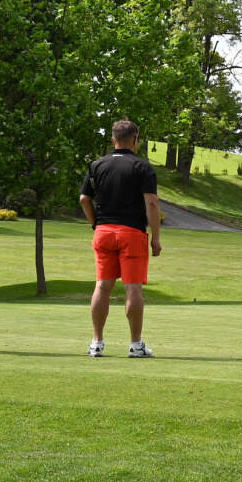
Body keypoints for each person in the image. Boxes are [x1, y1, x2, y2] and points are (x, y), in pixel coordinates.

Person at [79, 118, 161, 357]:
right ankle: (136, 345)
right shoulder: (142, 167)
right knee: (133, 288)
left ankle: (96, 343)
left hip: (103, 232)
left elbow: (84, 199)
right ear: (135, 139)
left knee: (102, 286)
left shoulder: (96, 165)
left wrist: (95, 223)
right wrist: (156, 237)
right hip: (131, 232)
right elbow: (151, 202)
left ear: (113, 139)